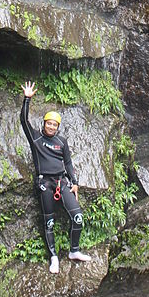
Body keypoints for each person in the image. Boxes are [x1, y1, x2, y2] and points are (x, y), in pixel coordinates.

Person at [20, 80, 92, 273]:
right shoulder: (36, 138)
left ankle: (74, 251)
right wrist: (27, 99)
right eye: (49, 123)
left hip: (62, 182)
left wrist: (74, 183)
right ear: (44, 124)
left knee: (77, 217)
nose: (51, 127)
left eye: (54, 124)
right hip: (45, 183)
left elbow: (68, 163)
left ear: (58, 127)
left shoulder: (62, 141)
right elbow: (23, 121)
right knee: (49, 222)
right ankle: (53, 257)